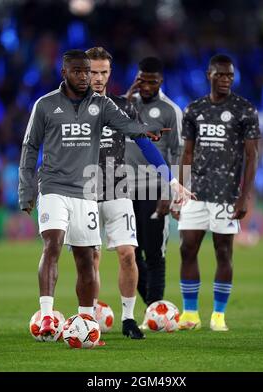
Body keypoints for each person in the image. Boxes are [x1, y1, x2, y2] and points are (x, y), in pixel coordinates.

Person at [18, 49, 174, 339]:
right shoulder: (46, 105)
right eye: (86, 71)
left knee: (107, 256)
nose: (91, 77)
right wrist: (26, 188)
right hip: (65, 186)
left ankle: (103, 320)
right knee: (58, 246)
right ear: (65, 72)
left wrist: (156, 151)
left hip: (106, 189)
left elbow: (134, 131)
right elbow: (30, 147)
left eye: (98, 72)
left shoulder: (111, 105)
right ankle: (52, 315)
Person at [85, 47, 190, 339]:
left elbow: (148, 145)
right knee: (90, 258)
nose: (98, 77)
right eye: (92, 71)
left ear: (110, 73)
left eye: (103, 72)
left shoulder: (123, 106)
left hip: (120, 186)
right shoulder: (68, 107)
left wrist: (173, 182)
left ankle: (129, 319)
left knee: (129, 253)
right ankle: (84, 315)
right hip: (85, 188)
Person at [172, 54, 260, 331]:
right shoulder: (194, 110)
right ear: (209, 75)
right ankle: (190, 314)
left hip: (226, 195)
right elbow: (186, 153)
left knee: (223, 251)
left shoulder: (244, 110)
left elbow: (252, 155)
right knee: (187, 249)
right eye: (220, 75)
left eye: (229, 76)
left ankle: (218, 315)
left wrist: (244, 195)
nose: (225, 80)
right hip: (195, 192)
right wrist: (180, 189)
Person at [125, 57, 183, 328]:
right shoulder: (127, 105)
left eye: (153, 81)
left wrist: (170, 193)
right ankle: (155, 310)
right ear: (137, 78)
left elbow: (179, 153)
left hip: (154, 189)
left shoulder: (171, 110)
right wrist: (128, 95)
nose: (147, 86)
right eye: (142, 80)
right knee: (130, 253)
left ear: (161, 81)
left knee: (154, 253)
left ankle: (154, 308)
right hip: (122, 188)